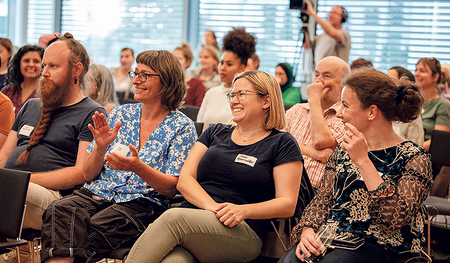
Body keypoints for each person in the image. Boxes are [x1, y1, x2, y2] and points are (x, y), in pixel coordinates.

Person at [126, 70, 303, 263]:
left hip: (240, 229)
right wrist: (212, 207)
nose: (233, 101)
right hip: (194, 219)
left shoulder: (282, 142)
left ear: (266, 101)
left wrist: (243, 210)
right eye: (232, 95)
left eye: (241, 94)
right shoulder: (215, 132)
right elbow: (185, 180)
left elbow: (287, 204)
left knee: (172, 218)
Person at [40, 50, 197, 263]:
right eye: (136, 74)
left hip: (142, 204)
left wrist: (138, 167)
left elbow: (172, 188)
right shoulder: (121, 114)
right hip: (98, 193)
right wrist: (100, 148)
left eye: (145, 75)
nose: (136, 81)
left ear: (167, 81)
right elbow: (87, 174)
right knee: (59, 209)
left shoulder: (182, 127)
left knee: (90, 229)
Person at [283, 69, 432, 263]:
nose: (339, 115)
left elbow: (395, 218)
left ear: (371, 111)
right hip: (334, 240)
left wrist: (363, 161)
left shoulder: (414, 157)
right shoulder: (344, 150)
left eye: (345, 106)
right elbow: (323, 198)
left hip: (383, 247)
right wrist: (308, 230)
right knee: (292, 260)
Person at [0, 33, 107, 232]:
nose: (44, 73)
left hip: (53, 198)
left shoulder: (91, 112)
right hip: (11, 188)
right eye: (44, 66)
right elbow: (4, 156)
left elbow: (80, 172)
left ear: (76, 70)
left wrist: (20, 181)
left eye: (53, 67)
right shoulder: (31, 106)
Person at [285, 56, 350, 189]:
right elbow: (274, 144)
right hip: (280, 185)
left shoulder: (346, 116)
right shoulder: (297, 110)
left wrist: (314, 101)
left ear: (343, 84)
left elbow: (321, 141)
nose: (318, 81)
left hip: (316, 195)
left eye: (327, 76)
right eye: (316, 75)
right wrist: (312, 152)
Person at [197, 27, 256, 131]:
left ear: (242, 68)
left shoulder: (247, 96)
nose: (222, 68)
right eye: (221, 63)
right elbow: (200, 126)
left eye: (229, 64)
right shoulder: (211, 93)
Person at [415, 57, 450, 198]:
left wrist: (410, 150)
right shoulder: (413, 101)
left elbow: (438, 143)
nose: (417, 74)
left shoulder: (443, 105)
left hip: (427, 161)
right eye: (416, 69)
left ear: (435, 76)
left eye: (422, 71)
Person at [1, 44, 45, 116]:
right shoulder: (7, 92)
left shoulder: (47, 94)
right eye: (26, 60)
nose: (31, 64)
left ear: (43, 65)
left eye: (36, 61)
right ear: (18, 64)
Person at [303, 0, 351, 64]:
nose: (330, 16)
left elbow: (332, 33)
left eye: (335, 13)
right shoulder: (322, 36)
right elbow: (307, 46)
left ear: (343, 17)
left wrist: (313, 14)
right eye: (330, 13)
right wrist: (305, 25)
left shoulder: (344, 34)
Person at [386, 66, 424, 145]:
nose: (386, 83)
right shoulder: (382, 110)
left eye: (391, 80)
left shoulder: (411, 114)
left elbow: (415, 147)